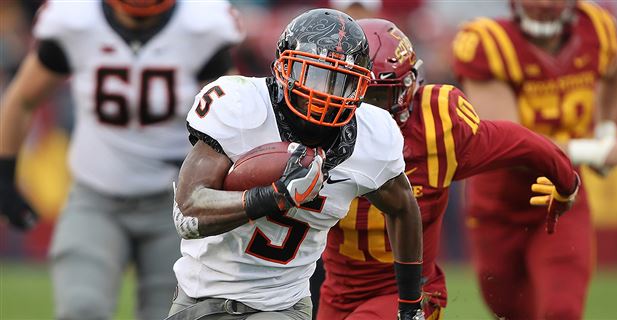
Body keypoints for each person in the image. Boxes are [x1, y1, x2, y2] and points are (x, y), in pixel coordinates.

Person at [167, 9, 425, 320]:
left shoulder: (374, 136)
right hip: (199, 297)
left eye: (341, 82)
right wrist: (273, 195)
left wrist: (411, 305)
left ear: (360, 88)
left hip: (282, 306)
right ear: (283, 67)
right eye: (313, 74)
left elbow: (403, 207)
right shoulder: (240, 105)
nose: (325, 93)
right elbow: (188, 212)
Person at [315, 18, 581, 320]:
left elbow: (522, 142)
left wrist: (566, 184)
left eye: (376, 98)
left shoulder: (438, 126)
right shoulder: (317, 129)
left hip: (410, 293)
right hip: (338, 294)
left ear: (408, 88)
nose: (364, 112)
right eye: (354, 94)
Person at [0, 0, 244, 319]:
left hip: (177, 204)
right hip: (96, 196)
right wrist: (4, 175)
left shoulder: (201, 26)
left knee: (169, 314)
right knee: (82, 308)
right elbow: (23, 98)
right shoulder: (77, 20)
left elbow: (233, 116)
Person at [452, 0, 617, 319]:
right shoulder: (489, 44)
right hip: (498, 207)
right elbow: (511, 144)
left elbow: (614, 72)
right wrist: (595, 150)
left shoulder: (597, 27)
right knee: (510, 309)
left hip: (563, 197)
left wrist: (608, 128)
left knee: (562, 309)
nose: (544, 4)